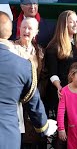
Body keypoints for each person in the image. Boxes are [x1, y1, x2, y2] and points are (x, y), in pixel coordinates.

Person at [0, 11, 57, 149]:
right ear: (11, 32)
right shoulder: (22, 64)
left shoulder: (37, 54)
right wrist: (44, 126)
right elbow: (32, 100)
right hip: (6, 135)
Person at [45, 10, 77, 148]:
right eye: (72, 21)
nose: (75, 24)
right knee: (60, 135)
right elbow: (52, 73)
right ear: (63, 24)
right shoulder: (53, 47)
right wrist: (59, 87)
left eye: (76, 21)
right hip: (60, 96)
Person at [12, 17, 47, 148]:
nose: (26, 30)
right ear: (19, 29)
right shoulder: (10, 48)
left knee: (31, 141)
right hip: (13, 104)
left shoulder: (40, 52)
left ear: (36, 32)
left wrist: (34, 93)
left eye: (30, 28)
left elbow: (43, 76)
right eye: (24, 27)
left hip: (32, 103)